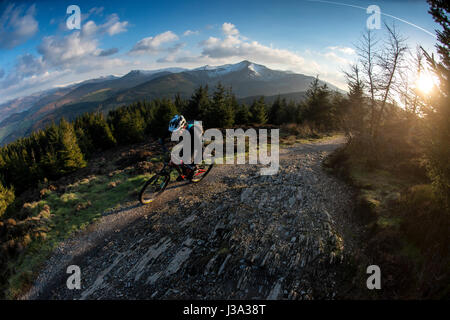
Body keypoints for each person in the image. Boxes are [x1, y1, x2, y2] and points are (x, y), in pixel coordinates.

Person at [168, 114, 203, 181]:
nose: (174, 134)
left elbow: (198, 147)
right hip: (188, 138)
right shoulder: (180, 130)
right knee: (180, 155)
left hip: (196, 142)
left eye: (176, 131)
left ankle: (194, 169)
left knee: (188, 160)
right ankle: (184, 174)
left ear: (183, 127)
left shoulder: (194, 130)